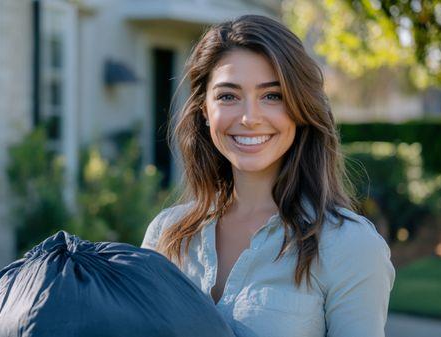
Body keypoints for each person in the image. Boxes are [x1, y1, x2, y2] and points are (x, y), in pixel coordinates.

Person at [141, 14, 395, 337]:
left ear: (300, 108)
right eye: (227, 96)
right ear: (204, 110)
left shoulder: (350, 247)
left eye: (272, 96)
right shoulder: (166, 235)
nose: (249, 118)